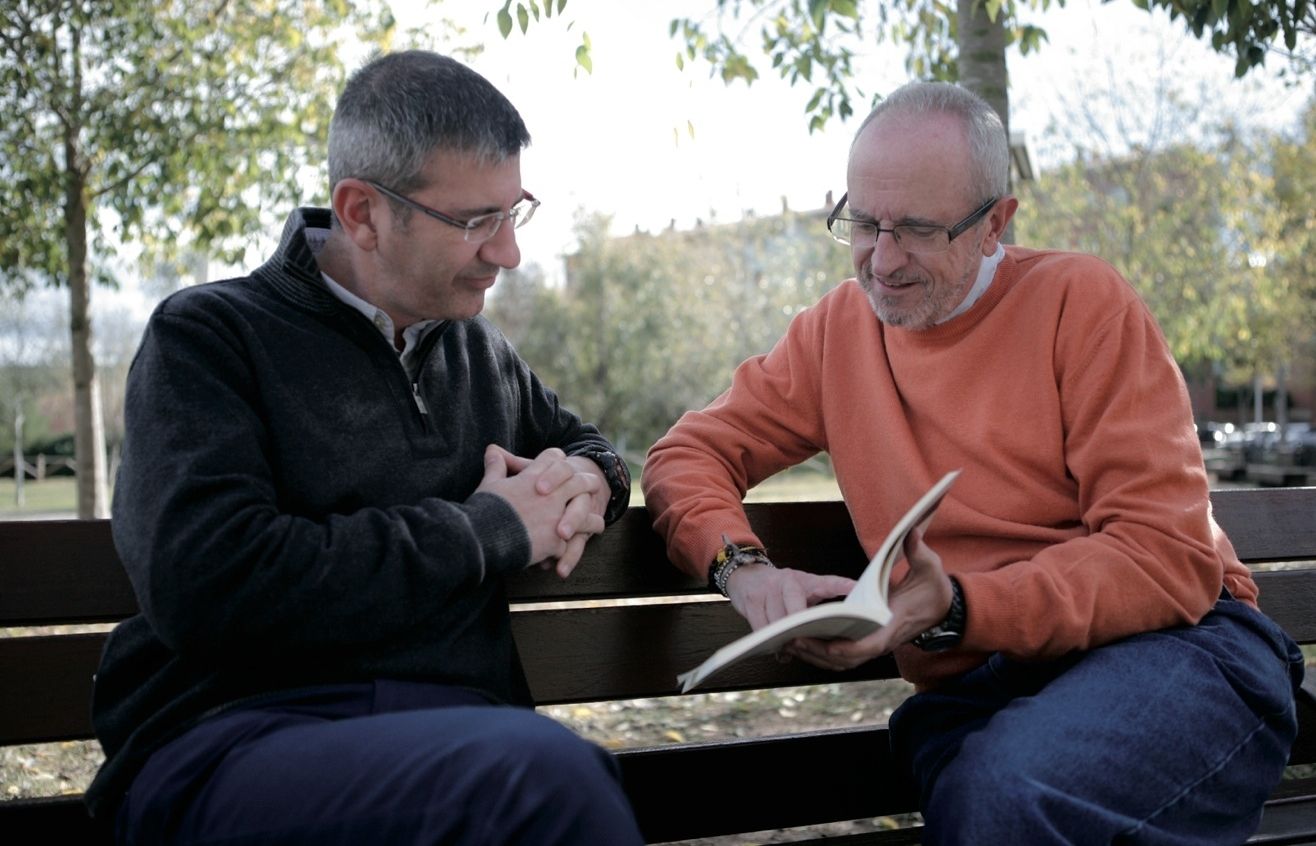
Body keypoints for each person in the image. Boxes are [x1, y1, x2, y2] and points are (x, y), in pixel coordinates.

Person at [641, 80, 1304, 844]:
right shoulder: (833, 335)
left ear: (994, 224)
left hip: (1179, 647)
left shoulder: (1082, 303)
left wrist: (959, 606)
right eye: (863, 223)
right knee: (992, 798)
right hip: (980, 698)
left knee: (1006, 795)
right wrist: (744, 571)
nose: (882, 260)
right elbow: (688, 453)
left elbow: (1167, 560)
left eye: (918, 230)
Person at [88, 50, 643, 845]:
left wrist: (593, 477)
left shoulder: (478, 352)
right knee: (543, 781)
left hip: (462, 737)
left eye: (513, 212)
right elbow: (204, 582)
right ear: (362, 213)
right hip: (235, 738)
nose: (508, 254)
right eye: (475, 222)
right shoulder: (209, 338)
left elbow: (590, 446)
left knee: (539, 778)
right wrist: (486, 531)